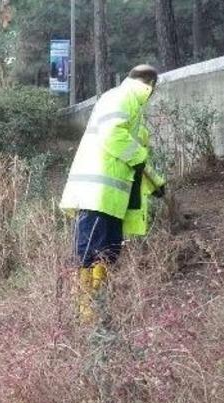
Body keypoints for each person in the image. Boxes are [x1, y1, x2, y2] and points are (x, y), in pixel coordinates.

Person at [59, 64, 166, 322]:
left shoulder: (122, 101)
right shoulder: (126, 96)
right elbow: (114, 136)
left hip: (109, 197)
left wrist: (157, 183)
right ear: (149, 85)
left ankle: (97, 303)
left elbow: (134, 159)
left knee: (109, 250)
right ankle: (85, 311)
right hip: (97, 194)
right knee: (90, 250)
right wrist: (140, 157)